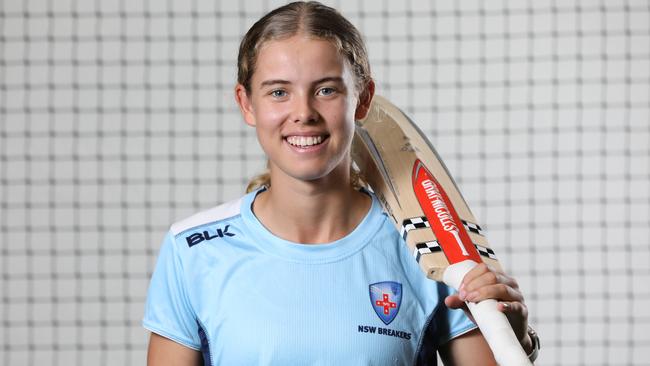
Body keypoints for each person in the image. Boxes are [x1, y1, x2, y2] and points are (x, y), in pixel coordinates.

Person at [143, 2, 539, 365]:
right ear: (247, 103)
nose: (303, 113)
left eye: (327, 90)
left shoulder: (427, 246)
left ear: (363, 99)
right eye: (279, 92)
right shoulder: (191, 250)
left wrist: (513, 339)